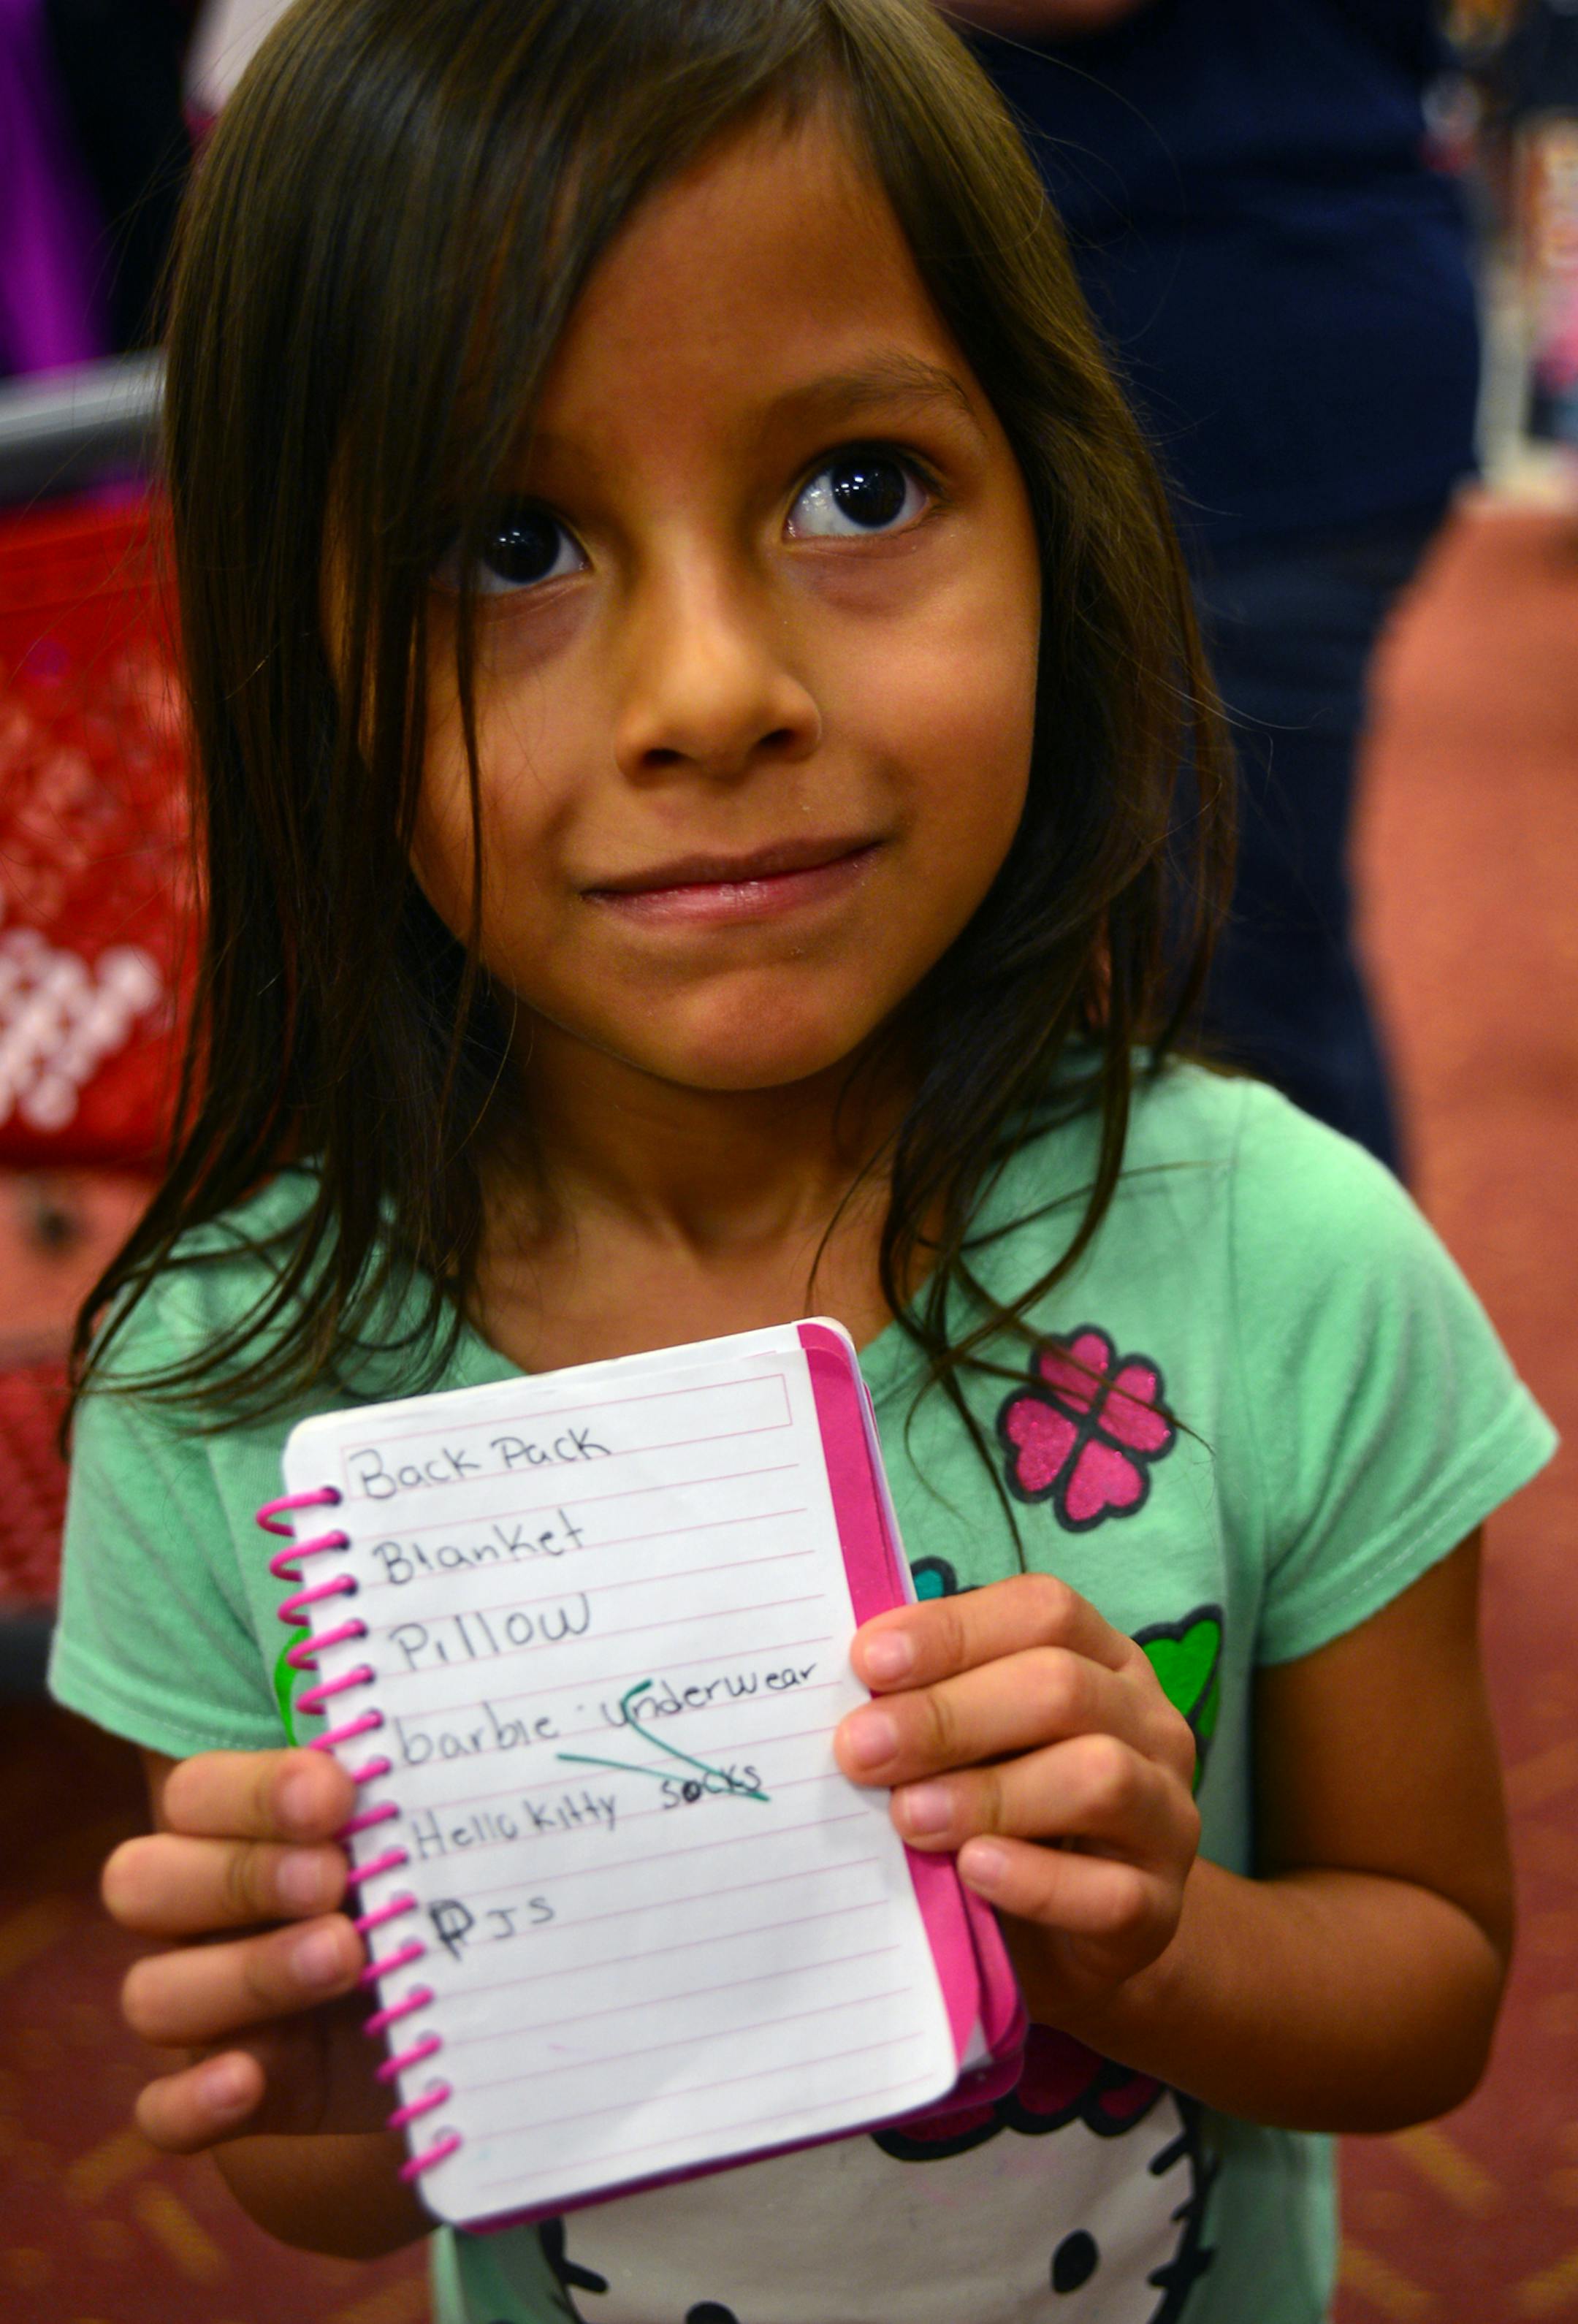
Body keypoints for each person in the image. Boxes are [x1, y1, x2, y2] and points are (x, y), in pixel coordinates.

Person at [47, 5, 1554, 2323]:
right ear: (292, 658)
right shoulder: (236, 1382)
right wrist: (319, 2079)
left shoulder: (1292, 1259)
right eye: (510, 539)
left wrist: (1158, 1931)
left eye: (856, 484)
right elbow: (344, 2190)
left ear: (1055, 509)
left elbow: (1431, 1977)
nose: (711, 686)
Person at [948, 0, 1486, 1177]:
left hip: (1231, 383)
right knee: (1200, 961)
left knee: (1228, 987)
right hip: (1254, 331)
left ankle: (1338, 1348)